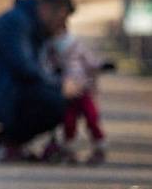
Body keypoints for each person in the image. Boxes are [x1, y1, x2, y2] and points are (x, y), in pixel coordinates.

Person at [0, 0, 78, 162]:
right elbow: (24, 66)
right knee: (55, 102)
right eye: (61, 18)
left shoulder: (30, 23)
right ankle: (10, 143)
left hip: (5, 89)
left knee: (55, 97)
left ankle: (7, 141)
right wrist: (59, 85)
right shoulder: (17, 22)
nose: (62, 25)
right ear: (46, 9)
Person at [46, 27, 107, 163]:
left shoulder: (77, 46)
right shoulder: (51, 50)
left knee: (91, 117)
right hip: (66, 92)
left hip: (83, 90)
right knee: (69, 121)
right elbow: (46, 68)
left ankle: (99, 145)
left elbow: (91, 62)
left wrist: (102, 65)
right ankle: (68, 149)